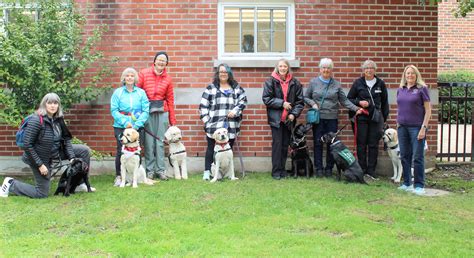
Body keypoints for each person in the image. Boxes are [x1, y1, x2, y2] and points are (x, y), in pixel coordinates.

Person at [0, 93, 92, 198]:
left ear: (58, 105)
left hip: (55, 152)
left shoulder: (58, 119)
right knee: (42, 193)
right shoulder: (36, 120)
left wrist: (71, 158)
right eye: (50, 103)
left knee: (84, 151)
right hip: (39, 158)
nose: (53, 106)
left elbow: (66, 140)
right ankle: (10, 184)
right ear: (44, 104)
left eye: (55, 103)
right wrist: (40, 165)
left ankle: (78, 183)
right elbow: (27, 145)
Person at [304, 58, 363, 178]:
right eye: (324, 67)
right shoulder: (313, 82)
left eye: (328, 68)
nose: (326, 70)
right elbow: (305, 97)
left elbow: (344, 101)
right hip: (317, 119)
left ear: (331, 70)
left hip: (332, 118)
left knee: (332, 145)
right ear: (320, 69)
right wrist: (313, 104)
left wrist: (356, 109)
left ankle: (329, 169)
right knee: (318, 143)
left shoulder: (336, 84)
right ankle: (319, 169)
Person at [199, 63, 247, 180]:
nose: (223, 74)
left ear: (229, 74)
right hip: (214, 125)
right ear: (217, 74)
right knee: (211, 149)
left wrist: (235, 111)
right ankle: (207, 172)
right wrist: (207, 122)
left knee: (227, 151)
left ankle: (227, 173)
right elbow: (203, 106)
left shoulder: (236, 88)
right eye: (221, 72)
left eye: (226, 72)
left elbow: (243, 102)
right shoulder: (211, 88)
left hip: (230, 125)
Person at [137, 51, 176, 181]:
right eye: (159, 59)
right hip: (147, 111)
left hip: (162, 112)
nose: (161, 62)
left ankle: (160, 170)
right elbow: (137, 93)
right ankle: (149, 170)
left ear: (166, 64)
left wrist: (172, 120)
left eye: (164, 61)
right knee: (149, 142)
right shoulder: (143, 73)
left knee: (160, 142)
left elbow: (170, 100)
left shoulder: (168, 79)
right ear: (154, 61)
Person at [262, 59, 304, 180]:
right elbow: (266, 99)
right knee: (277, 145)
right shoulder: (270, 81)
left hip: (288, 120)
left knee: (285, 145)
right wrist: (282, 103)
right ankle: (276, 171)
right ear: (277, 67)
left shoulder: (295, 82)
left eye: (285, 66)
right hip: (276, 120)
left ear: (288, 68)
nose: (283, 68)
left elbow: (300, 102)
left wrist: (293, 114)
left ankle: (282, 170)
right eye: (280, 66)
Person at [347, 60, 389, 180]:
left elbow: (385, 103)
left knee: (373, 144)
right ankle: (362, 169)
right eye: (366, 68)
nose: (369, 70)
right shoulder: (358, 83)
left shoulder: (380, 83)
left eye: (371, 68)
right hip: (361, 118)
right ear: (363, 70)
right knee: (361, 144)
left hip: (376, 119)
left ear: (375, 70)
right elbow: (349, 99)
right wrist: (359, 102)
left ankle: (371, 170)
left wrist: (383, 119)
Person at [110, 67, 150, 186]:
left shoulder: (141, 93)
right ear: (124, 78)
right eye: (127, 75)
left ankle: (135, 177)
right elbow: (114, 110)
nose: (129, 78)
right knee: (120, 150)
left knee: (136, 150)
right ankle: (119, 176)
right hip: (121, 126)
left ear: (135, 78)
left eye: (132, 76)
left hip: (137, 126)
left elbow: (146, 110)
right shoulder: (118, 92)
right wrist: (124, 123)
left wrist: (136, 125)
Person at [396, 65, 431, 195]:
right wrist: (398, 123)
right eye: (407, 73)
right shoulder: (401, 89)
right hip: (402, 128)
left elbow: (428, 111)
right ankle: (406, 183)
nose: (410, 75)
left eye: (412, 73)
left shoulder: (422, 89)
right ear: (404, 75)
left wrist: (424, 127)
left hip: (417, 128)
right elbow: (400, 108)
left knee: (417, 157)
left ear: (417, 75)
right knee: (405, 156)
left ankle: (419, 185)